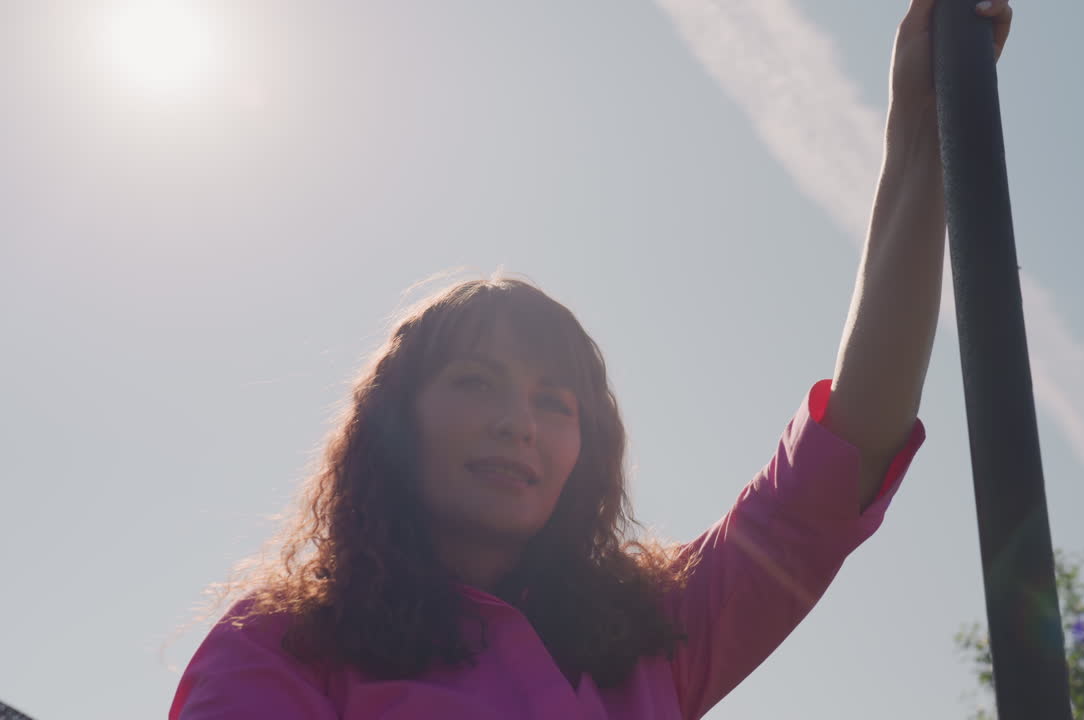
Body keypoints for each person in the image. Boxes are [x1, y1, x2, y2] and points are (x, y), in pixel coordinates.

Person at [170, 1, 1014, 717]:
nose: (517, 424)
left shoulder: (650, 633)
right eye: (474, 382)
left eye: (554, 403)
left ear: (587, 449)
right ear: (393, 425)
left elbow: (836, 467)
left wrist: (919, 139)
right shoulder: (282, 642)